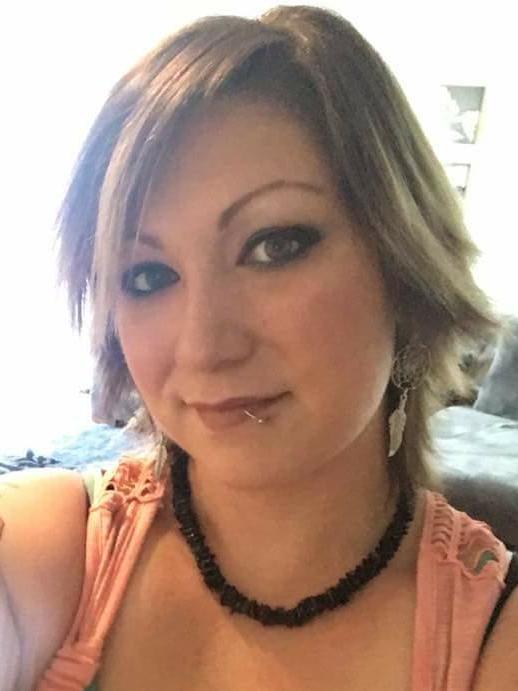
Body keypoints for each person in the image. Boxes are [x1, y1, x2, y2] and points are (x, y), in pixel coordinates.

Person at [1, 5, 517, 690]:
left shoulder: (493, 639)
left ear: (404, 268)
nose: (204, 347)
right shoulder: (48, 545)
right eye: (147, 275)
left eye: (275, 245)